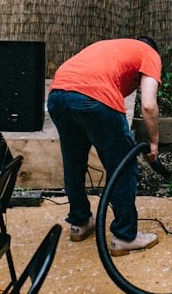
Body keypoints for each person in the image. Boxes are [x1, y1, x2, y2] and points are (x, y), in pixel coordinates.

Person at [46, 37, 162, 255]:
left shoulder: (114, 47)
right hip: (94, 97)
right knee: (123, 165)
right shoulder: (150, 54)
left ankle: (80, 223)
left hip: (57, 95)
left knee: (74, 161)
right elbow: (148, 104)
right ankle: (126, 236)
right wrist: (154, 142)